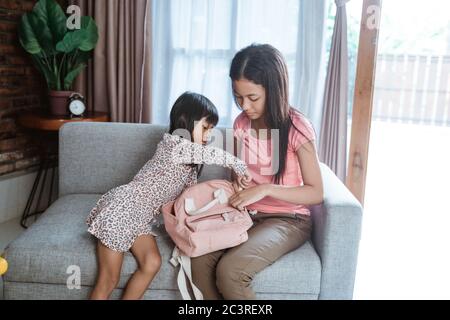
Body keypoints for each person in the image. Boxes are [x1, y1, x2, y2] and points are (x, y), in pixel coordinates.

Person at [86, 92, 251, 300]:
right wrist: (240, 165)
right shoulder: (174, 145)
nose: (209, 136)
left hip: (141, 217)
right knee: (108, 280)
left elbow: (189, 198)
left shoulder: (189, 162)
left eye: (211, 130)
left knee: (152, 263)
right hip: (123, 209)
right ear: (185, 120)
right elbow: (212, 154)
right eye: (205, 128)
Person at [191, 44, 324, 299]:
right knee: (199, 260)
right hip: (248, 214)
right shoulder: (242, 123)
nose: (244, 106)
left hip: (289, 220)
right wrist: (239, 180)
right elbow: (240, 171)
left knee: (230, 271)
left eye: (252, 98)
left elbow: (316, 192)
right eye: (238, 96)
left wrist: (264, 189)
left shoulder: (298, 128)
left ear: (274, 90)